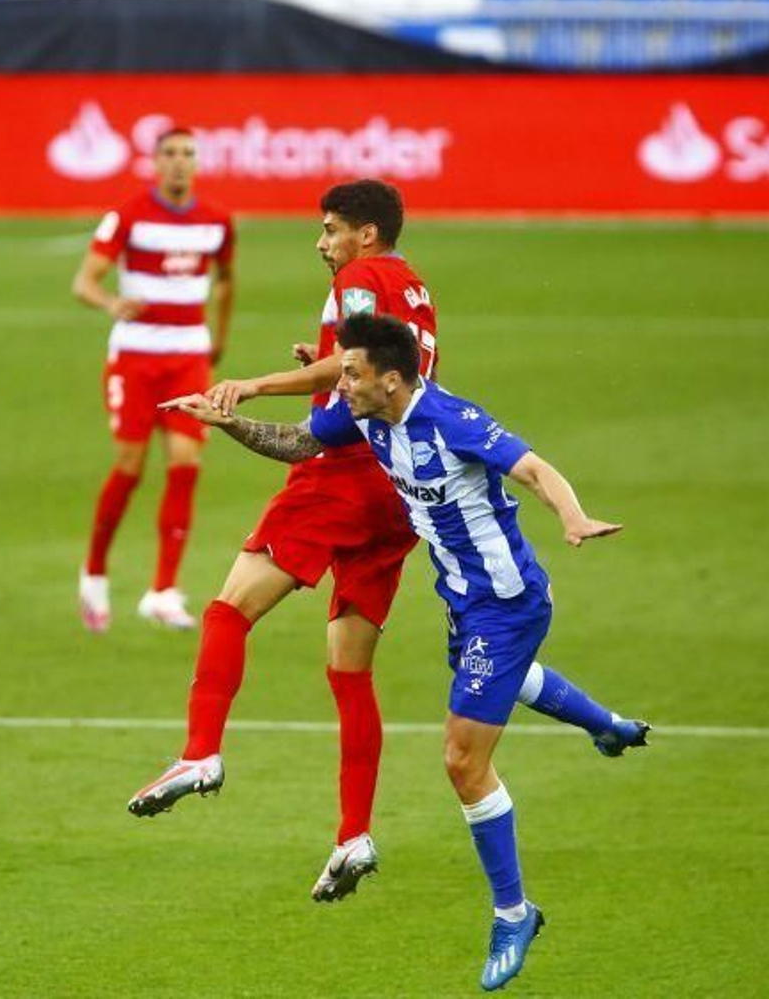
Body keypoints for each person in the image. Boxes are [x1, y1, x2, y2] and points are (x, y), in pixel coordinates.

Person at [164, 312, 649, 992]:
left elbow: (532, 466)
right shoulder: (363, 414)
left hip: (507, 604)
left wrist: (572, 517)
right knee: (494, 683)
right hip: (463, 598)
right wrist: (230, 422)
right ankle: (606, 725)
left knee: (462, 759)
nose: (341, 380)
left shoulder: (452, 420)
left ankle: (514, 911)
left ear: (391, 379)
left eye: (352, 371)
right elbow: (302, 442)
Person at [126, 180, 439, 905]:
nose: (321, 242)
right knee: (349, 671)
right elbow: (375, 367)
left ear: (365, 232)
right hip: (401, 487)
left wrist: (258, 384)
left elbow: (354, 361)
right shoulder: (414, 287)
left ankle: (200, 753)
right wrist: (320, 367)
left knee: (228, 609)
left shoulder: (360, 277)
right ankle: (353, 833)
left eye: (330, 229)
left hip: (345, 477)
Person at [71, 128, 235, 632]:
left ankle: (163, 589)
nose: (180, 163)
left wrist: (217, 341)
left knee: (186, 462)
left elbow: (226, 280)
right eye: (171, 154)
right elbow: (84, 281)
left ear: (198, 163)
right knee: (131, 463)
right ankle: (94, 572)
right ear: (155, 163)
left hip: (188, 358)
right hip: (136, 359)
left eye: (188, 154)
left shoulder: (217, 223)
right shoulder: (129, 216)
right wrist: (112, 303)